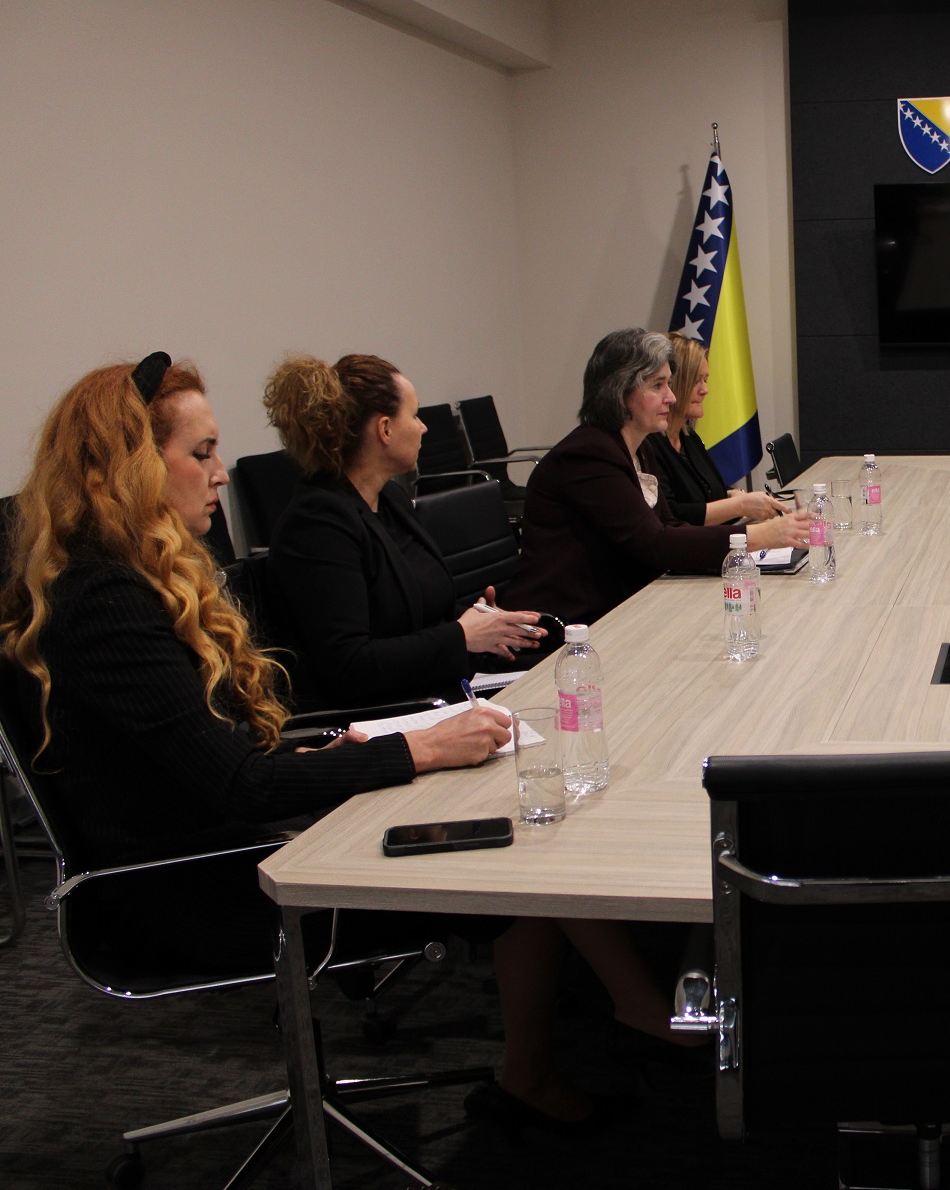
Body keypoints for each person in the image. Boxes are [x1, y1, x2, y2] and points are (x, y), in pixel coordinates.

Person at [0, 357, 693, 1129]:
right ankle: (579, 1046)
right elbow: (237, 785)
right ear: (132, 466)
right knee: (516, 839)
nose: (221, 473)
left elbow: (208, 761)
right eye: (201, 453)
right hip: (200, 887)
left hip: (241, 838)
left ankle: (592, 1032)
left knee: (512, 809)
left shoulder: (119, 581)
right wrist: (421, 750)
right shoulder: (106, 602)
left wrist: (326, 756)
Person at [262, 353, 543, 711]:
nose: (423, 427)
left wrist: (487, 623)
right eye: (414, 415)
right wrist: (460, 636)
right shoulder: (318, 524)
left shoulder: (390, 499)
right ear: (385, 429)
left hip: (436, 687)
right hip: (385, 714)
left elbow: (421, 612)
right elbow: (349, 666)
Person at [505, 328, 811, 625]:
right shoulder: (588, 456)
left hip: (621, 608)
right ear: (620, 392)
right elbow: (655, 543)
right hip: (564, 625)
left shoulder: (639, 448)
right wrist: (759, 536)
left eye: (669, 384)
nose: (672, 397)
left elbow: (669, 525)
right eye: (658, 385)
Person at [639, 334, 785, 525]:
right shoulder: (648, 444)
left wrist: (734, 495)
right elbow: (671, 515)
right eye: (696, 381)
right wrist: (740, 506)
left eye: (705, 380)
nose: (705, 390)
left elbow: (709, 490)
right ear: (675, 384)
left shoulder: (688, 436)